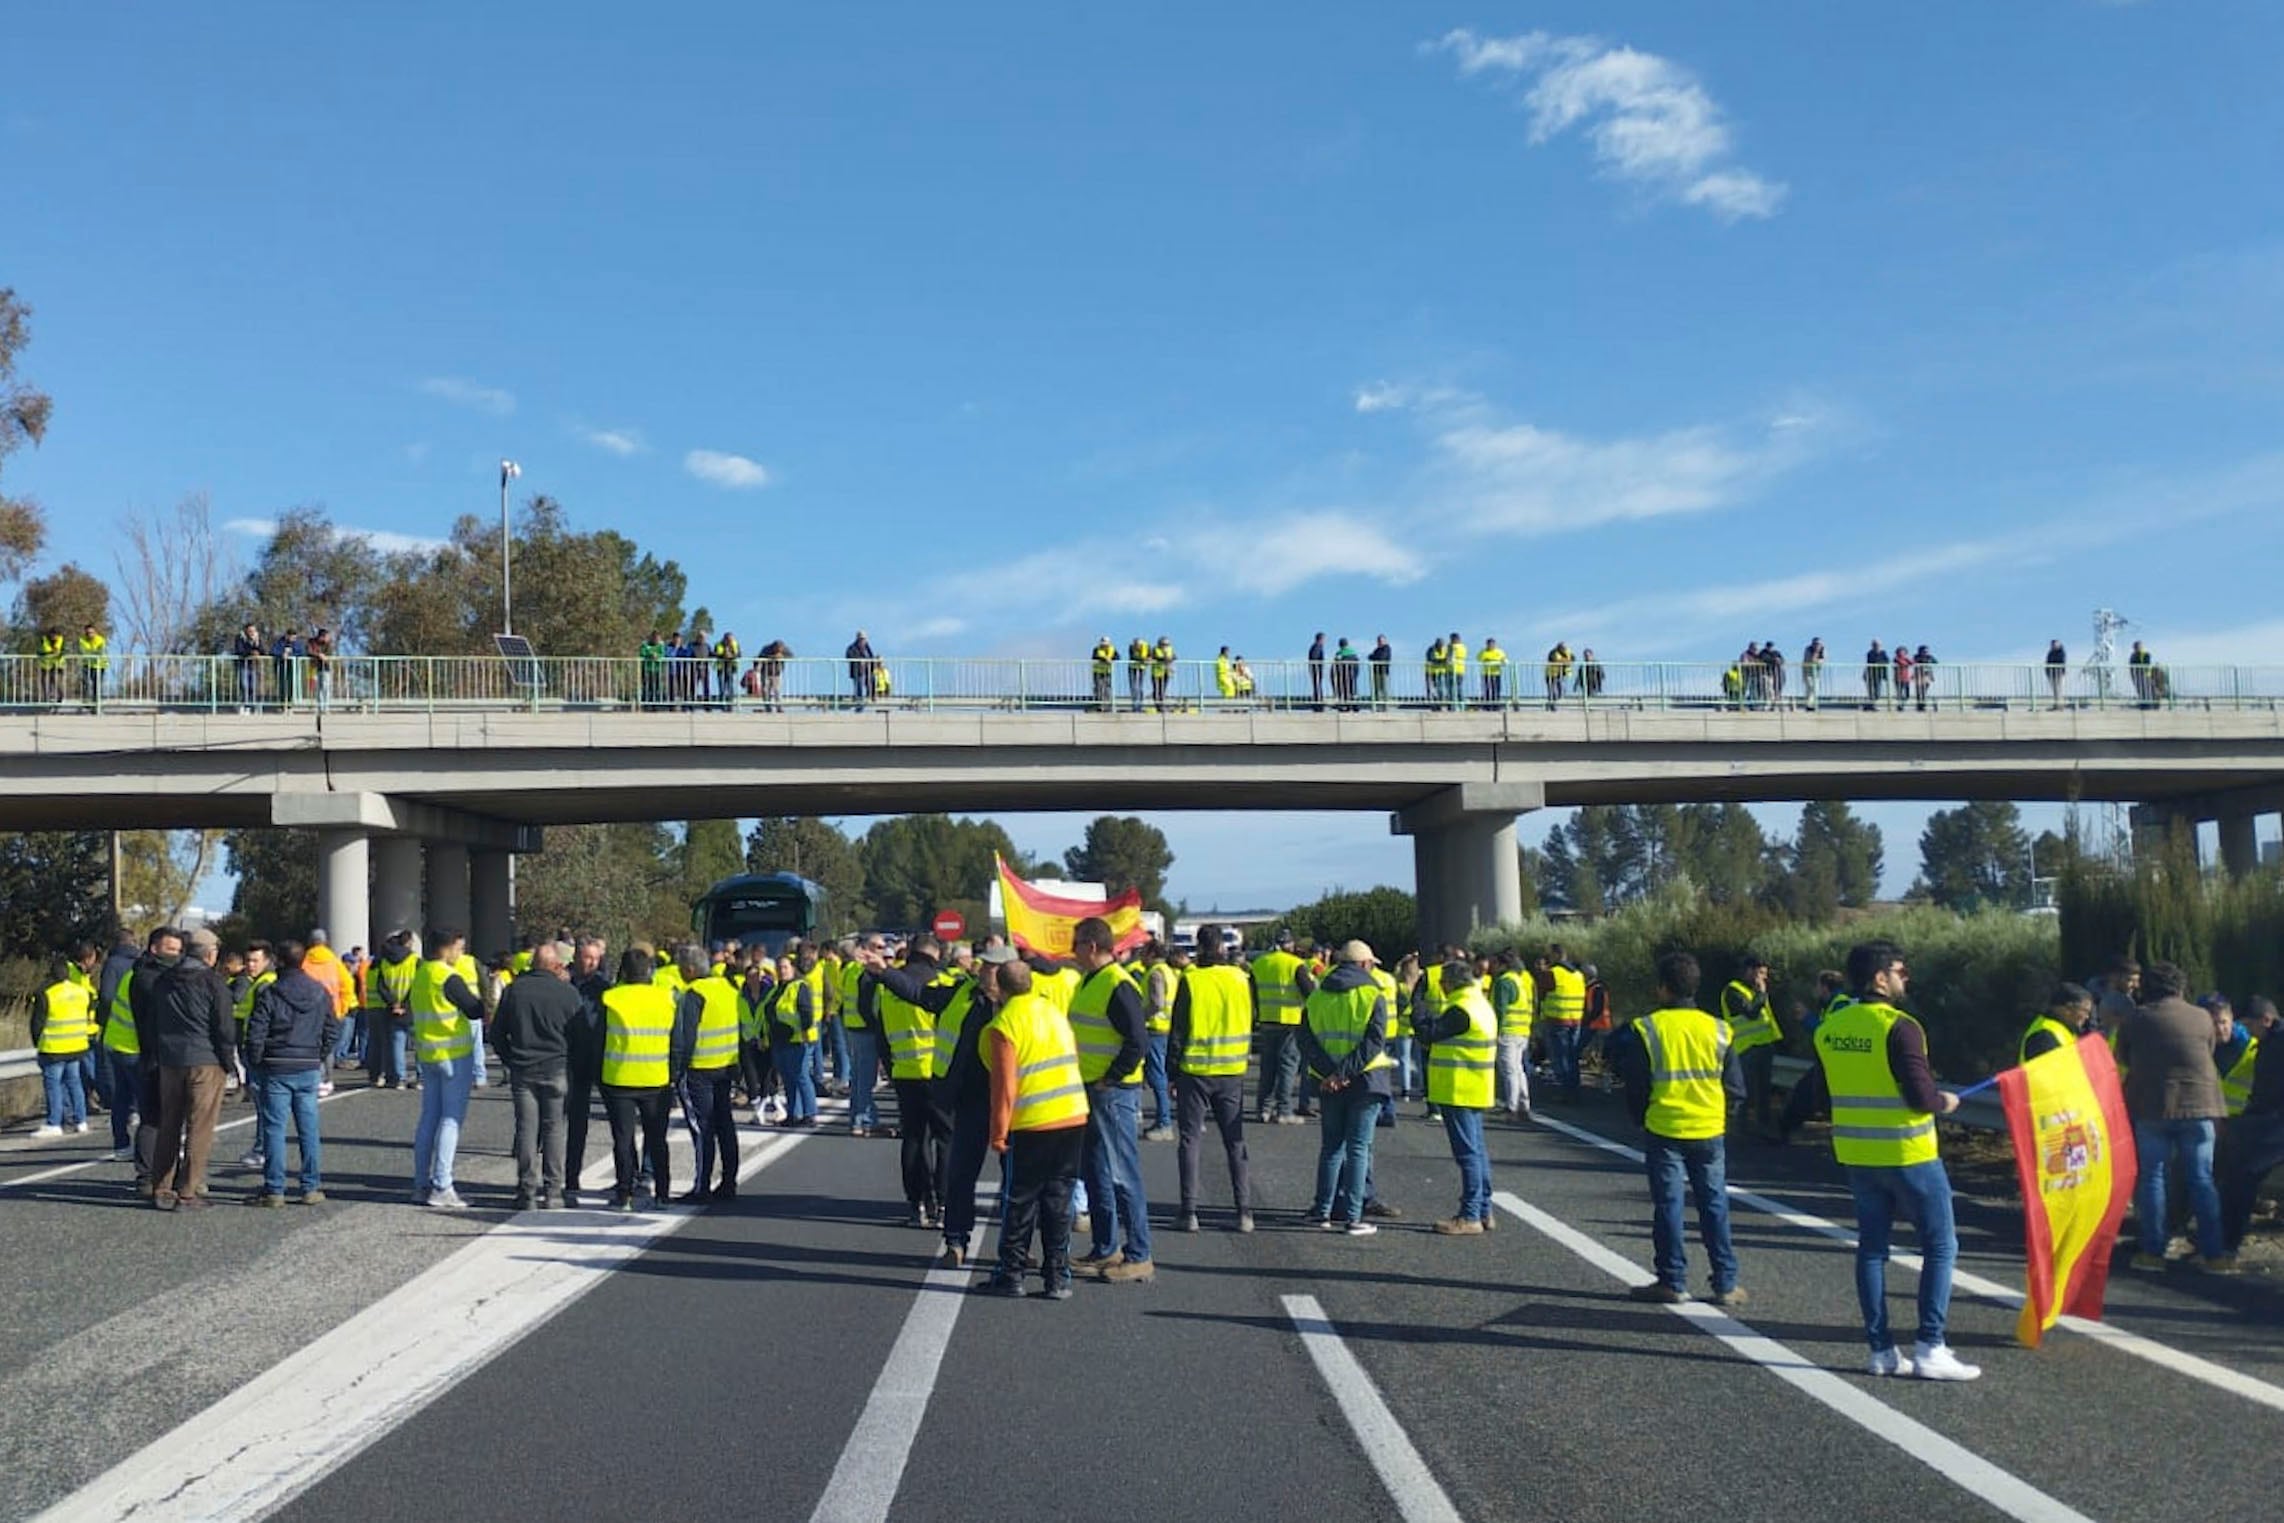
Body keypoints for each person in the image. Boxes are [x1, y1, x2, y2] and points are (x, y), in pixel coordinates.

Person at [1805, 940, 1980, 1380]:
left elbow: (1824, 1091)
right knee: (1940, 1245)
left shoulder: (1829, 1028)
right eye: (1901, 970)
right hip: (1909, 1152)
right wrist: (1946, 1101)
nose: (1906, 978)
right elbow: (1921, 1098)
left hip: (1857, 1154)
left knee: (1872, 1249)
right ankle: (1930, 1346)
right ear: (1880, 978)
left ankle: (1881, 1351)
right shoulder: (1902, 1027)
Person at [1616, 952, 1746, 1304]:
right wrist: (1722, 1115)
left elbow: (1636, 1084)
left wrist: (1640, 1117)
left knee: (1669, 1205)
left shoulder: (1648, 1028)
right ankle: (1726, 1282)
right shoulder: (1719, 1029)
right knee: (1714, 1204)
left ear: (1662, 988)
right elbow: (1735, 1088)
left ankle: (1672, 1280)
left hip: (1665, 1128)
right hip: (1708, 1129)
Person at [973, 958, 1090, 1299]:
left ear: (1002, 988)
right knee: (1059, 1199)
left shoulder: (1004, 1024)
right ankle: (1057, 1276)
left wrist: (997, 1132)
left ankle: (1012, 1273)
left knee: (1019, 1201)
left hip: (1033, 1121)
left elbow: (1004, 1086)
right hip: (1071, 1114)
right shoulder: (1053, 1012)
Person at [2112, 961, 2233, 1272]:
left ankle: (2153, 1251)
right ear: (2181, 988)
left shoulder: (2135, 1019)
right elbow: (2209, 1050)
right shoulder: (2203, 1017)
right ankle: (2215, 1254)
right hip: (2201, 1107)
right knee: (2202, 1179)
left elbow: (2123, 1057)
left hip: (2152, 1106)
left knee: (2153, 1177)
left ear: (2146, 988)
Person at [1067, 916, 1155, 1283]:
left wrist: (1111, 1077)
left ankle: (1139, 1254)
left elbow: (1138, 1040)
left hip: (1112, 1092)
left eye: (1075, 945)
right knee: (1096, 1171)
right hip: (1092, 1088)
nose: (1071, 952)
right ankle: (1106, 1248)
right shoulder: (1091, 980)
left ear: (1091, 946)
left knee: (1122, 1174)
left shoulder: (1118, 985)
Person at [1298, 940, 1394, 1236]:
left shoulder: (1317, 997)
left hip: (1328, 1081)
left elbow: (1305, 1039)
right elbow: (1374, 1042)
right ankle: (1353, 1217)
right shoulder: (1371, 994)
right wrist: (1345, 1072)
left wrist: (1331, 1073)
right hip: (1365, 1080)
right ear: (1365, 964)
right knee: (1358, 1148)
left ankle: (1322, 1211)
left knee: (1331, 1148)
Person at [1169, 923, 1253, 1233]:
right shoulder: (1240, 979)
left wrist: (1171, 1073)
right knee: (1235, 1140)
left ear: (1199, 946)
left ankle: (1189, 1212)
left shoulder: (1191, 980)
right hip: (1232, 1070)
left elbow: (1178, 1031)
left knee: (1191, 1140)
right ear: (1223, 946)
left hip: (1195, 1070)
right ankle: (1244, 1212)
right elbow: (1251, 1016)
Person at [244, 940, 340, 1207]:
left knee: (274, 1128)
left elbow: (256, 1033)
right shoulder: (319, 992)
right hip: (307, 1064)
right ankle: (310, 1186)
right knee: (308, 1128)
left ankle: (275, 1189)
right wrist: (319, 1055)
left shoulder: (270, 992)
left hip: (276, 1065)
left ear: (279, 961)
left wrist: (257, 1061)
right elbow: (333, 1029)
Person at [147, 929, 236, 1212]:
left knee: (169, 1123)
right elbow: (223, 1027)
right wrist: (228, 1062)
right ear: (210, 954)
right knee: (200, 1127)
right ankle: (188, 1190)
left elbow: (153, 1019)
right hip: (205, 1059)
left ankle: (161, 1186)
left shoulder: (164, 981)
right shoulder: (213, 982)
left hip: (170, 1059)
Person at [493, 942, 582, 1209]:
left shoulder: (514, 991)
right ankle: (553, 1191)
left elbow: (497, 1033)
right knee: (554, 1128)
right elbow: (579, 1034)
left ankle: (526, 1191)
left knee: (526, 1129)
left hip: (523, 1068)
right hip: (557, 1066)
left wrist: (511, 1059)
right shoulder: (568, 993)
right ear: (556, 966)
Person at [868, 936, 949, 1227]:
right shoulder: (940, 984)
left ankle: (915, 1202)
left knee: (914, 1139)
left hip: (904, 1072)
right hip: (936, 1073)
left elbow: (881, 1036)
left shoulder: (888, 988)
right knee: (946, 1139)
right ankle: (941, 1200)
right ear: (934, 954)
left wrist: (891, 1068)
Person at [1412, 952, 1496, 1233]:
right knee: (1478, 1151)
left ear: (1450, 983)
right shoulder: (1480, 1003)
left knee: (1467, 1154)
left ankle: (1470, 1215)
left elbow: (1427, 1032)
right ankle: (1484, 1210)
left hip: (1458, 1086)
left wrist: (1418, 1002)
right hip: (1476, 1084)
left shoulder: (1461, 1009)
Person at [409, 930, 486, 1210]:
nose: (461, 954)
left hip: (428, 1053)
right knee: (451, 1119)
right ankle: (442, 1184)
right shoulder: (447, 976)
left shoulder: (421, 974)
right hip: (454, 1054)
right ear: (447, 948)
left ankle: (421, 1183)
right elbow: (474, 1009)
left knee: (429, 1116)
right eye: (459, 948)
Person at [599, 947, 679, 1211]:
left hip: (619, 1077)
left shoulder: (611, 998)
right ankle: (663, 1193)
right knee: (657, 1139)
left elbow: (598, 1037)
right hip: (656, 1077)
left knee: (623, 1139)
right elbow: (675, 1039)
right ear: (649, 970)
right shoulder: (666, 998)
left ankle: (624, 1194)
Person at [2222, 996, 2283, 1253]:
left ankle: (2229, 1239)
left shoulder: (2276, 1045)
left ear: (2266, 1020)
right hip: (2267, 1119)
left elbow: (2270, 1089)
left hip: (2272, 1121)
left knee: (2242, 1175)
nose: (2247, 1032)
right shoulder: (2270, 1042)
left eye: (2249, 1025)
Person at [1248, 930, 1313, 1123]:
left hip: (1266, 1020)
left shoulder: (1259, 963)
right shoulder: (1295, 965)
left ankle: (1263, 1108)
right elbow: (1310, 992)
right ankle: (1284, 1110)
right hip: (1290, 1021)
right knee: (1287, 1067)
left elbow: (1252, 992)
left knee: (1267, 1067)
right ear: (1290, 945)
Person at [564, 937, 609, 1206]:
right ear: (577, 958)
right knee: (564, 1122)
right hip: (569, 1059)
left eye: (595, 958)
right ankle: (562, 1176)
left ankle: (574, 1177)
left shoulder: (604, 988)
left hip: (598, 1058)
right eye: (586, 957)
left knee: (593, 1122)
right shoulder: (564, 985)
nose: (591, 962)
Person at [30, 954, 94, 1138]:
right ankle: (81, 1120)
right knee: (75, 1083)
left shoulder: (47, 993)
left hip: (54, 1048)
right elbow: (91, 1006)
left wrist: (38, 1043)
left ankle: (54, 1122)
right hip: (77, 1045)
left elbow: (37, 1022)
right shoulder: (81, 992)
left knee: (53, 1084)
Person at [1720, 954, 1783, 1135]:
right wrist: (1761, 993)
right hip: (1745, 1048)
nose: (1764, 978)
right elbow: (1751, 1013)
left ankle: (1763, 1128)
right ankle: (1740, 1130)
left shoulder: (1756, 992)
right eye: (1760, 973)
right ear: (1749, 971)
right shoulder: (1733, 991)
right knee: (1744, 1093)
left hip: (1764, 1046)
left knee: (1764, 1092)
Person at [363, 931, 419, 1088]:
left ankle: (395, 1077)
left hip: (385, 1007)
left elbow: (381, 986)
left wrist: (394, 1003)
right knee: (419, 1045)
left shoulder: (380, 963)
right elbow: (417, 985)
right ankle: (420, 1077)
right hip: (411, 1007)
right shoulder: (414, 961)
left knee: (393, 1045)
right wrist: (405, 1005)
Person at [302, 927, 353, 1095]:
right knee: (328, 1048)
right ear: (325, 942)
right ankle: (327, 1080)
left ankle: (314, 1079)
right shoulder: (335, 962)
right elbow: (347, 986)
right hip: (332, 1011)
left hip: (308, 1013)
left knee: (311, 1047)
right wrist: (342, 1008)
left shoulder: (304, 961)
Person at [1491, 951, 1534, 1124]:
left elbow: (1500, 1009)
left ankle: (1512, 1108)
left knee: (1509, 1070)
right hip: (1522, 1031)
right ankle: (1524, 1105)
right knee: (1518, 1070)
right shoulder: (1520, 979)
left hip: (1507, 1031)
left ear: (1503, 964)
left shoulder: (1504, 982)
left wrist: (1495, 1031)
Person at [1139, 942, 1177, 1138]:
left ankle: (1164, 1123)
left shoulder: (1155, 973)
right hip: (1165, 1027)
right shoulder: (1168, 970)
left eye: (1143, 952)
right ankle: (1163, 1121)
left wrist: (1139, 1017)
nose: (1140, 956)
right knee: (1158, 1076)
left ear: (1152, 953)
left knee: (1157, 1078)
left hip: (1155, 1028)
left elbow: (1157, 1003)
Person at [1541, 945, 1587, 1100]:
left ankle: (1566, 1092)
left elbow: (1542, 993)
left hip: (1557, 1019)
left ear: (1555, 955)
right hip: (1576, 1019)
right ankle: (1574, 1089)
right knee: (1572, 1056)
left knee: (1560, 1057)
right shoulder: (1578, 975)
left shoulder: (1552, 973)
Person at [2019, 983, 2096, 1064]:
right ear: (2067, 1009)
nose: (2087, 1017)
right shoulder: (2044, 1036)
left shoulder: (2066, 1030)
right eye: (2085, 1011)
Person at [232, 622, 265, 710]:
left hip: (253, 666)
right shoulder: (240, 638)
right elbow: (240, 650)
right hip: (243, 665)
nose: (252, 632)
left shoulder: (257, 639)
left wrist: (256, 643)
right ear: (246, 630)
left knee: (252, 686)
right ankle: (243, 704)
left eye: (253, 631)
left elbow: (263, 651)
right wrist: (251, 652)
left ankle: (250, 705)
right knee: (244, 685)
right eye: (250, 631)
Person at [76, 621, 108, 706]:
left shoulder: (100, 640)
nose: (89, 634)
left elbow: (100, 652)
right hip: (86, 664)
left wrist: (89, 652)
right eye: (87, 632)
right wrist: (93, 652)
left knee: (96, 685)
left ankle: (96, 703)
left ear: (95, 632)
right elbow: (81, 651)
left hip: (99, 665)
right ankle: (86, 702)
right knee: (85, 682)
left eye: (91, 632)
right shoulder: (82, 640)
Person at [845, 629, 878, 710]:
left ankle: (872, 696)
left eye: (864, 639)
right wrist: (860, 660)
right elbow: (849, 656)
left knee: (872, 679)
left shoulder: (867, 647)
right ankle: (859, 705)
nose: (863, 640)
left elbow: (871, 656)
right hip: (858, 671)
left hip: (868, 670)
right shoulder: (852, 647)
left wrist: (872, 663)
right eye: (861, 639)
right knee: (859, 685)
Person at [35, 625, 66, 704]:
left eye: (57, 636)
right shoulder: (43, 640)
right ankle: (46, 697)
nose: (55, 637)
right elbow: (38, 651)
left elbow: (64, 650)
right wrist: (49, 653)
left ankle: (60, 695)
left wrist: (59, 654)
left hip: (57, 664)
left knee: (55, 680)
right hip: (45, 664)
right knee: (44, 681)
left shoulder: (61, 639)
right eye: (53, 635)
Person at [1332, 636, 1360, 710]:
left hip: (1343, 676)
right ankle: (1355, 706)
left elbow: (1335, 665)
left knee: (1344, 690)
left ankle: (1346, 706)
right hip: (1352, 675)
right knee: (1353, 690)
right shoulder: (1353, 653)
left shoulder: (1339, 653)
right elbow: (1357, 665)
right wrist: (1356, 674)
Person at [1150, 635, 1175, 710]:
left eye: (1166, 645)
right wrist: (1164, 659)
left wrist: (1170, 659)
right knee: (1157, 690)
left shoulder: (1170, 650)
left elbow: (1174, 657)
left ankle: (1161, 704)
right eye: (1163, 644)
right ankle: (1158, 705)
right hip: (1156, 673)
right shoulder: (1155, 649)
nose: (1165, 646)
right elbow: (1154, 657)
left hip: (1166, 672)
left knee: (1163, 690)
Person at [1368, 635, 1393, 709]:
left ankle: (1385, 706)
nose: (1379, 642)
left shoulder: (1387, 648)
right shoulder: (1377, 650)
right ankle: (1376, 706)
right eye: (1378, 641)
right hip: (1376, 672)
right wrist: (1373, 657)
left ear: (1385, 641)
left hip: (1383, 672)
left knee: (1383, 689)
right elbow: (1371, 657)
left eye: (1381, 641)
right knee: (1376, 689)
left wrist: (1373, 657)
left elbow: (1381, 657)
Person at [1801, 637, 1825, 710]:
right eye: (1815, 644)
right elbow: (1812, 660)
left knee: (1816, 689)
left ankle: (1812, 704)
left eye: (1818, 644)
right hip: (1807, 672)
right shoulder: (1808, 649)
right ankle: (1809, 705)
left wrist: (1819, 659)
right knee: (1810, 687)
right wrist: (1816, 652)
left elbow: (1821, 661)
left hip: (1816, 673)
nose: (1816, 645)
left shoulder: (1823, 650)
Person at [1126, 636, 1149, 711]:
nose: (1137, 646)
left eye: (1138, 645)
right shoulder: (1131, 647)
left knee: (1140, 687)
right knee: (1134, 687)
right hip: (1132, 668)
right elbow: (1133, 657)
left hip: (1142, 668)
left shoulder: (1146, 646)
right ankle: (1134, 705)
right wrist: (1143, 659)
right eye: (1136, 645)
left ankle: (1140, 705)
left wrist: (1147, 659)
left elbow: (1149, 656)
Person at [2044, 639, 2068, 709]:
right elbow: (2048, 662)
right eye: (2052, 645)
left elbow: (2061, 661)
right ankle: (2056, 704)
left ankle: (2060, 705)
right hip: (2052, 674)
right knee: (2055, 690)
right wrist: (2047, 671)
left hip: (2059, 673)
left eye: (2055, 644)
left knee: (2059, 689)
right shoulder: (2050, 653)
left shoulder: (2061, 652)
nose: (2053, 646)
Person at [1862, 640, 1887, 708]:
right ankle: (1871, 705)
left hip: (1878, 675)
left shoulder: (1883, 653)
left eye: (1877, 645)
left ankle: (1870, 704)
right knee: (1871, 690)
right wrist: (1865, 673)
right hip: (1871, 674)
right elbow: (1868, 663)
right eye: (1874, 645)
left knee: (1877, 692)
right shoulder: (1870, 653)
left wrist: (1885, 675)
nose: (1876, 646)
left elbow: (1886, 662)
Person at [1307, 632, 1327, 709]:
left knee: (1317, 685)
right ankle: (1318, 703)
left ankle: (1318, 702)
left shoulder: (1316, 646)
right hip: (1316, 669)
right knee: (1317, 685)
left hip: (1315, 669)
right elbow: (1314, 657)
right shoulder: (1317, 646)